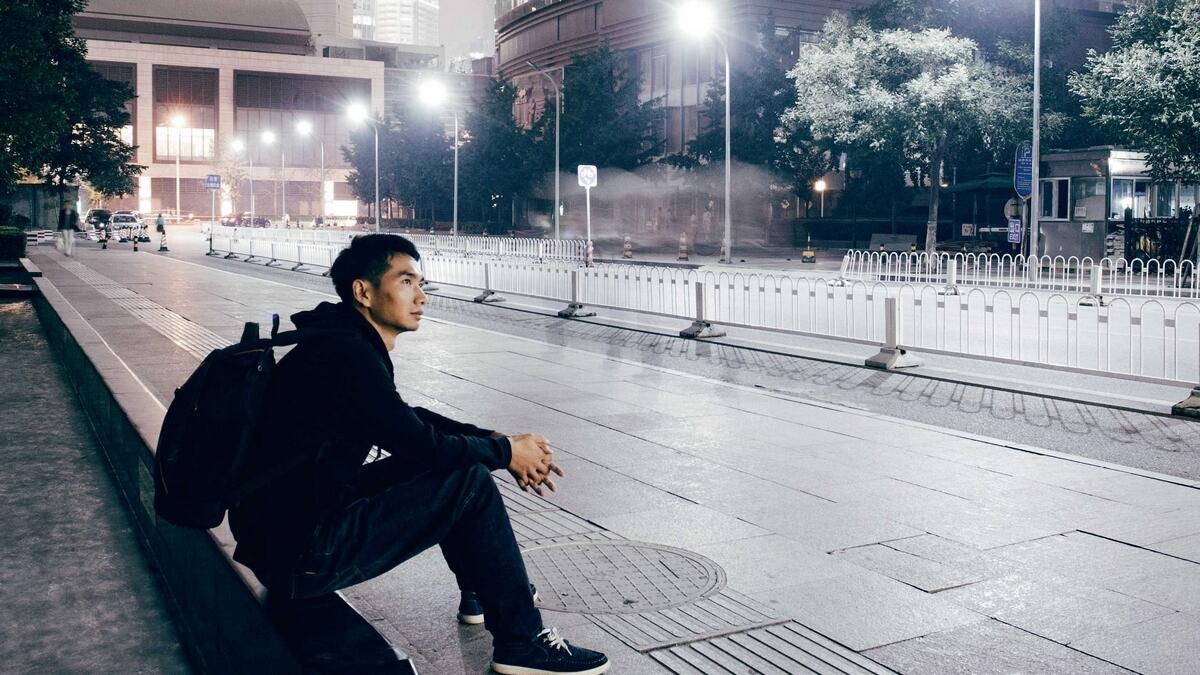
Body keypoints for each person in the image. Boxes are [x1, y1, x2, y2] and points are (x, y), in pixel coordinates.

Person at [228, 234, 609, 675]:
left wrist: (495, 439)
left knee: (457, 464)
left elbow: (406, 421)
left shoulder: (337, 342)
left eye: (421, 283)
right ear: (364, 292)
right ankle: (523, 644)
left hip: (278, 539)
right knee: (467, 481)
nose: (421, 297)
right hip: (302, 557)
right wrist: (503, 453)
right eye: (406, 281)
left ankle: (482, 591)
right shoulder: (348, 354)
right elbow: (419, 440)